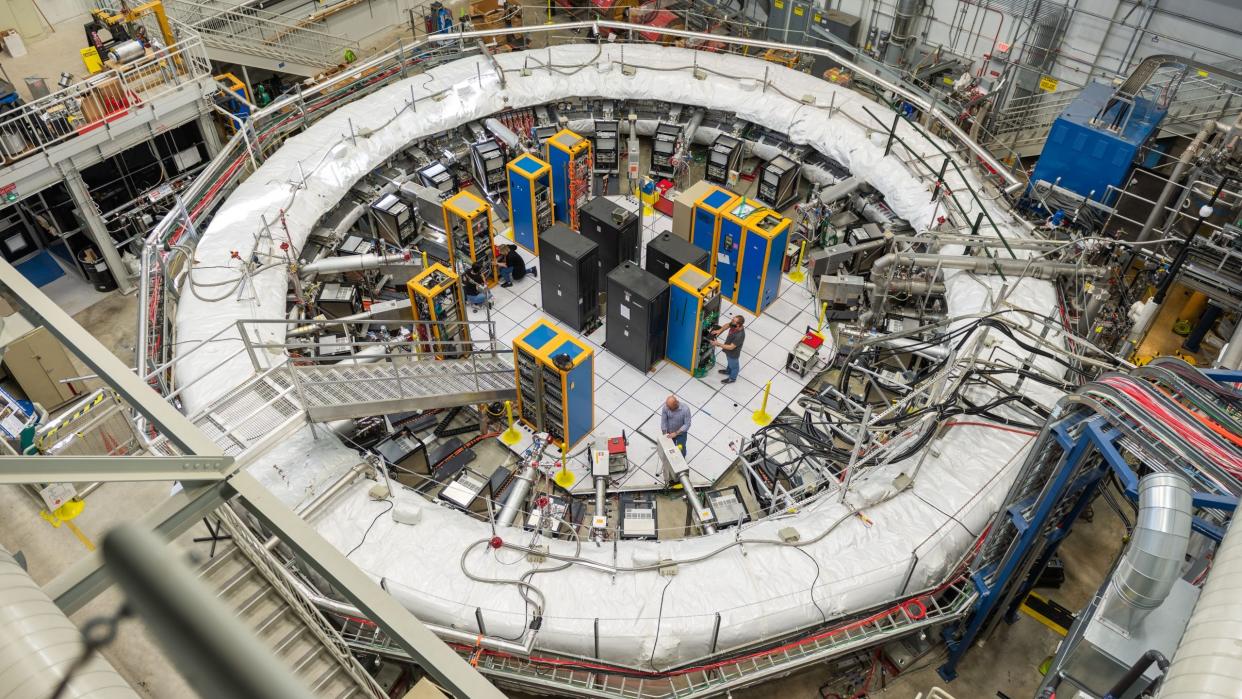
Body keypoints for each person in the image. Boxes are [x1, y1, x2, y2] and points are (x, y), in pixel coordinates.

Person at [711, 315, 746, 384]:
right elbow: (727, 325)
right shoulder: (734, 325)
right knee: (729, 361)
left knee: (734, 365)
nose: (731, 321)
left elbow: (731, 347)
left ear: (738, 325)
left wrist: (718, 344)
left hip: (733, 353)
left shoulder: (740, 335)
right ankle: (728, 371)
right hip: (727, 349)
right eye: (732, 319)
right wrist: (719, 330)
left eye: (733, 320)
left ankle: (732, 378)